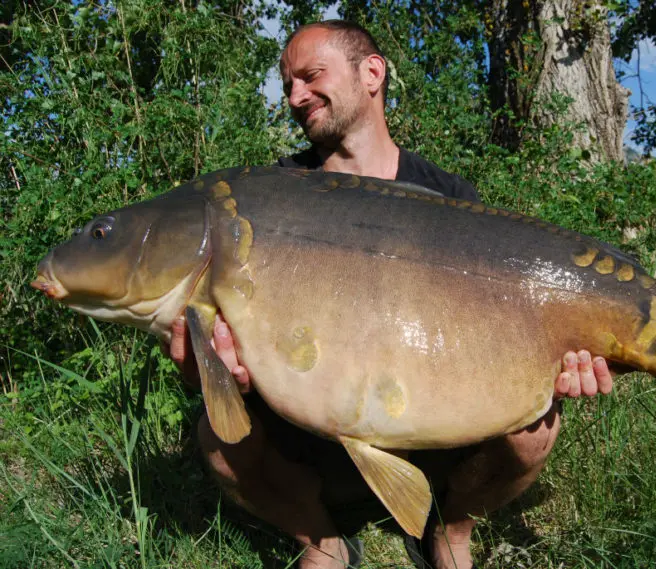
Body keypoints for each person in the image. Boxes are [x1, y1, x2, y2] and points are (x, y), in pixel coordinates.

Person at [169, 20, 613, 569]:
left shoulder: (448, 196)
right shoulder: (274, 196)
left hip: (439, 436)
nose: (294, 96)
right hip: (311, 440)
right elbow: (222, 373)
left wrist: (556, 364)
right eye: (288, 85)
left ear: (371, 73)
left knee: (536, 433)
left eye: (309, 76)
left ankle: (451, 533)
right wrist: (210, 372)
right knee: (218, 439)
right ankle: (321, 541)